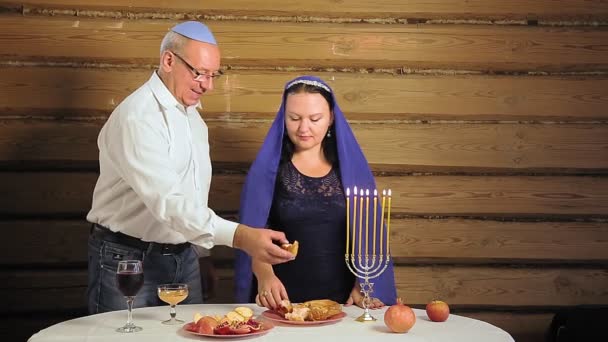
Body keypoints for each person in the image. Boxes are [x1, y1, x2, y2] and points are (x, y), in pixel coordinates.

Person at [86, 21, 294, 314]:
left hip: (184, 258)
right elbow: (169, 203)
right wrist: (242, 236)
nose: (207, 85)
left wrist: (201, 253)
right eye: (199, 73)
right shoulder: (138, 117)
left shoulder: (193, 117)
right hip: (127, 259)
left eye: (213, 75)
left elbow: (192, 193)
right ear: (168, 60)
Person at [234, 76, 397, 309]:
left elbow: (369, 236)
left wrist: (364, 283)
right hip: (282, 299)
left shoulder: (352, 171)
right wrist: (264, 275)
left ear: (331, 118)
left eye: (315, 119)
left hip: (343, 300)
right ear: (283, 117)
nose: (303, 128)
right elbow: (252, 233)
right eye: (294, 118)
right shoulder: (266, 171)